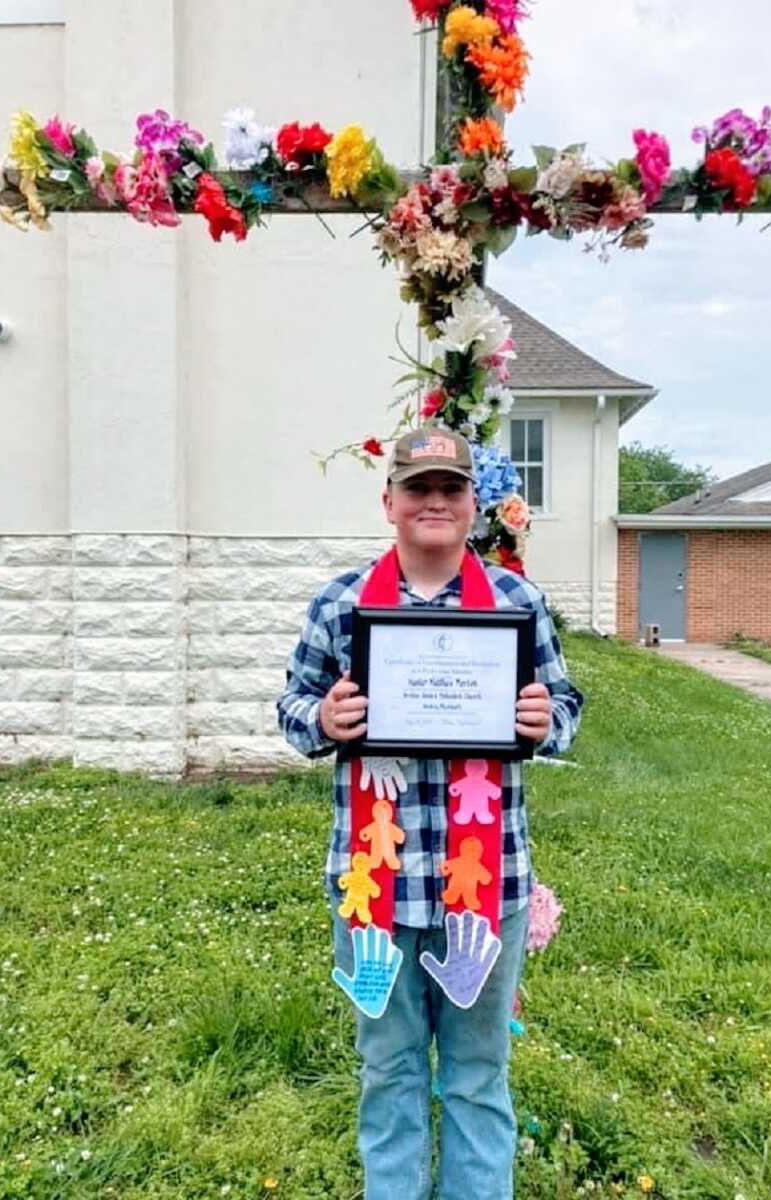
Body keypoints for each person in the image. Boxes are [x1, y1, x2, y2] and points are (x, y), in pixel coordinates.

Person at [277, 427, 583, 1200]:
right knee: (389, 1067)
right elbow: (292, 704)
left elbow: (566, 700)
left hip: (485, 887)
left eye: (451, 488)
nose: (435, 502)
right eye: (418, 488)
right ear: (390, 503)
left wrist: (547, 721)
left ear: (475, 505)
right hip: (373, 890)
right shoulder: (342, 605)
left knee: (479, 1074)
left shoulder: (516, 604)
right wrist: (324, 720)